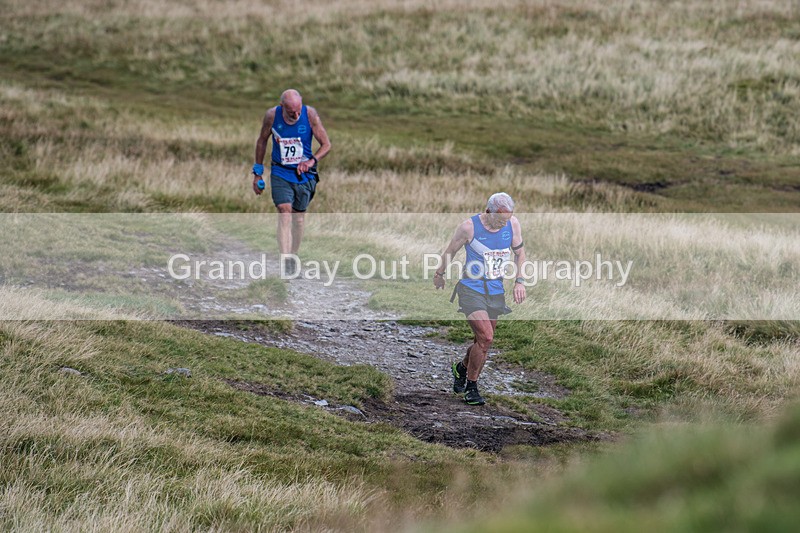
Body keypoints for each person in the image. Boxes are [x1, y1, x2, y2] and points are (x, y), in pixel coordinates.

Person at [433, 193, 526, 405]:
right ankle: (471, 388)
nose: (504, 224)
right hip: (471, 289)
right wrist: (439, 275)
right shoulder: (469, 227)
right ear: (488, 212)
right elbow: (450, 252)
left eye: (507, 219)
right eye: (500, 220)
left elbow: (520, 254)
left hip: (495, 290)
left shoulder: (512, 224)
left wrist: (520, 281)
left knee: (481, 343)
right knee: (486, 337)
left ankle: (461, 369)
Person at [252, 89, 331, 275]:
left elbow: (326, 145)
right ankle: (285, 260)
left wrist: (311, 161)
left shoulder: (310, 114)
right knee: (284, 211)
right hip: (280, 171)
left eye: (298, 111)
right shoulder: (272, 116)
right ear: (282, 107)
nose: (295, 115)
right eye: (290, 112)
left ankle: (293, 255)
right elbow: (262, 141)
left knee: (299, 219)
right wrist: (258, 173)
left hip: (305, 175)